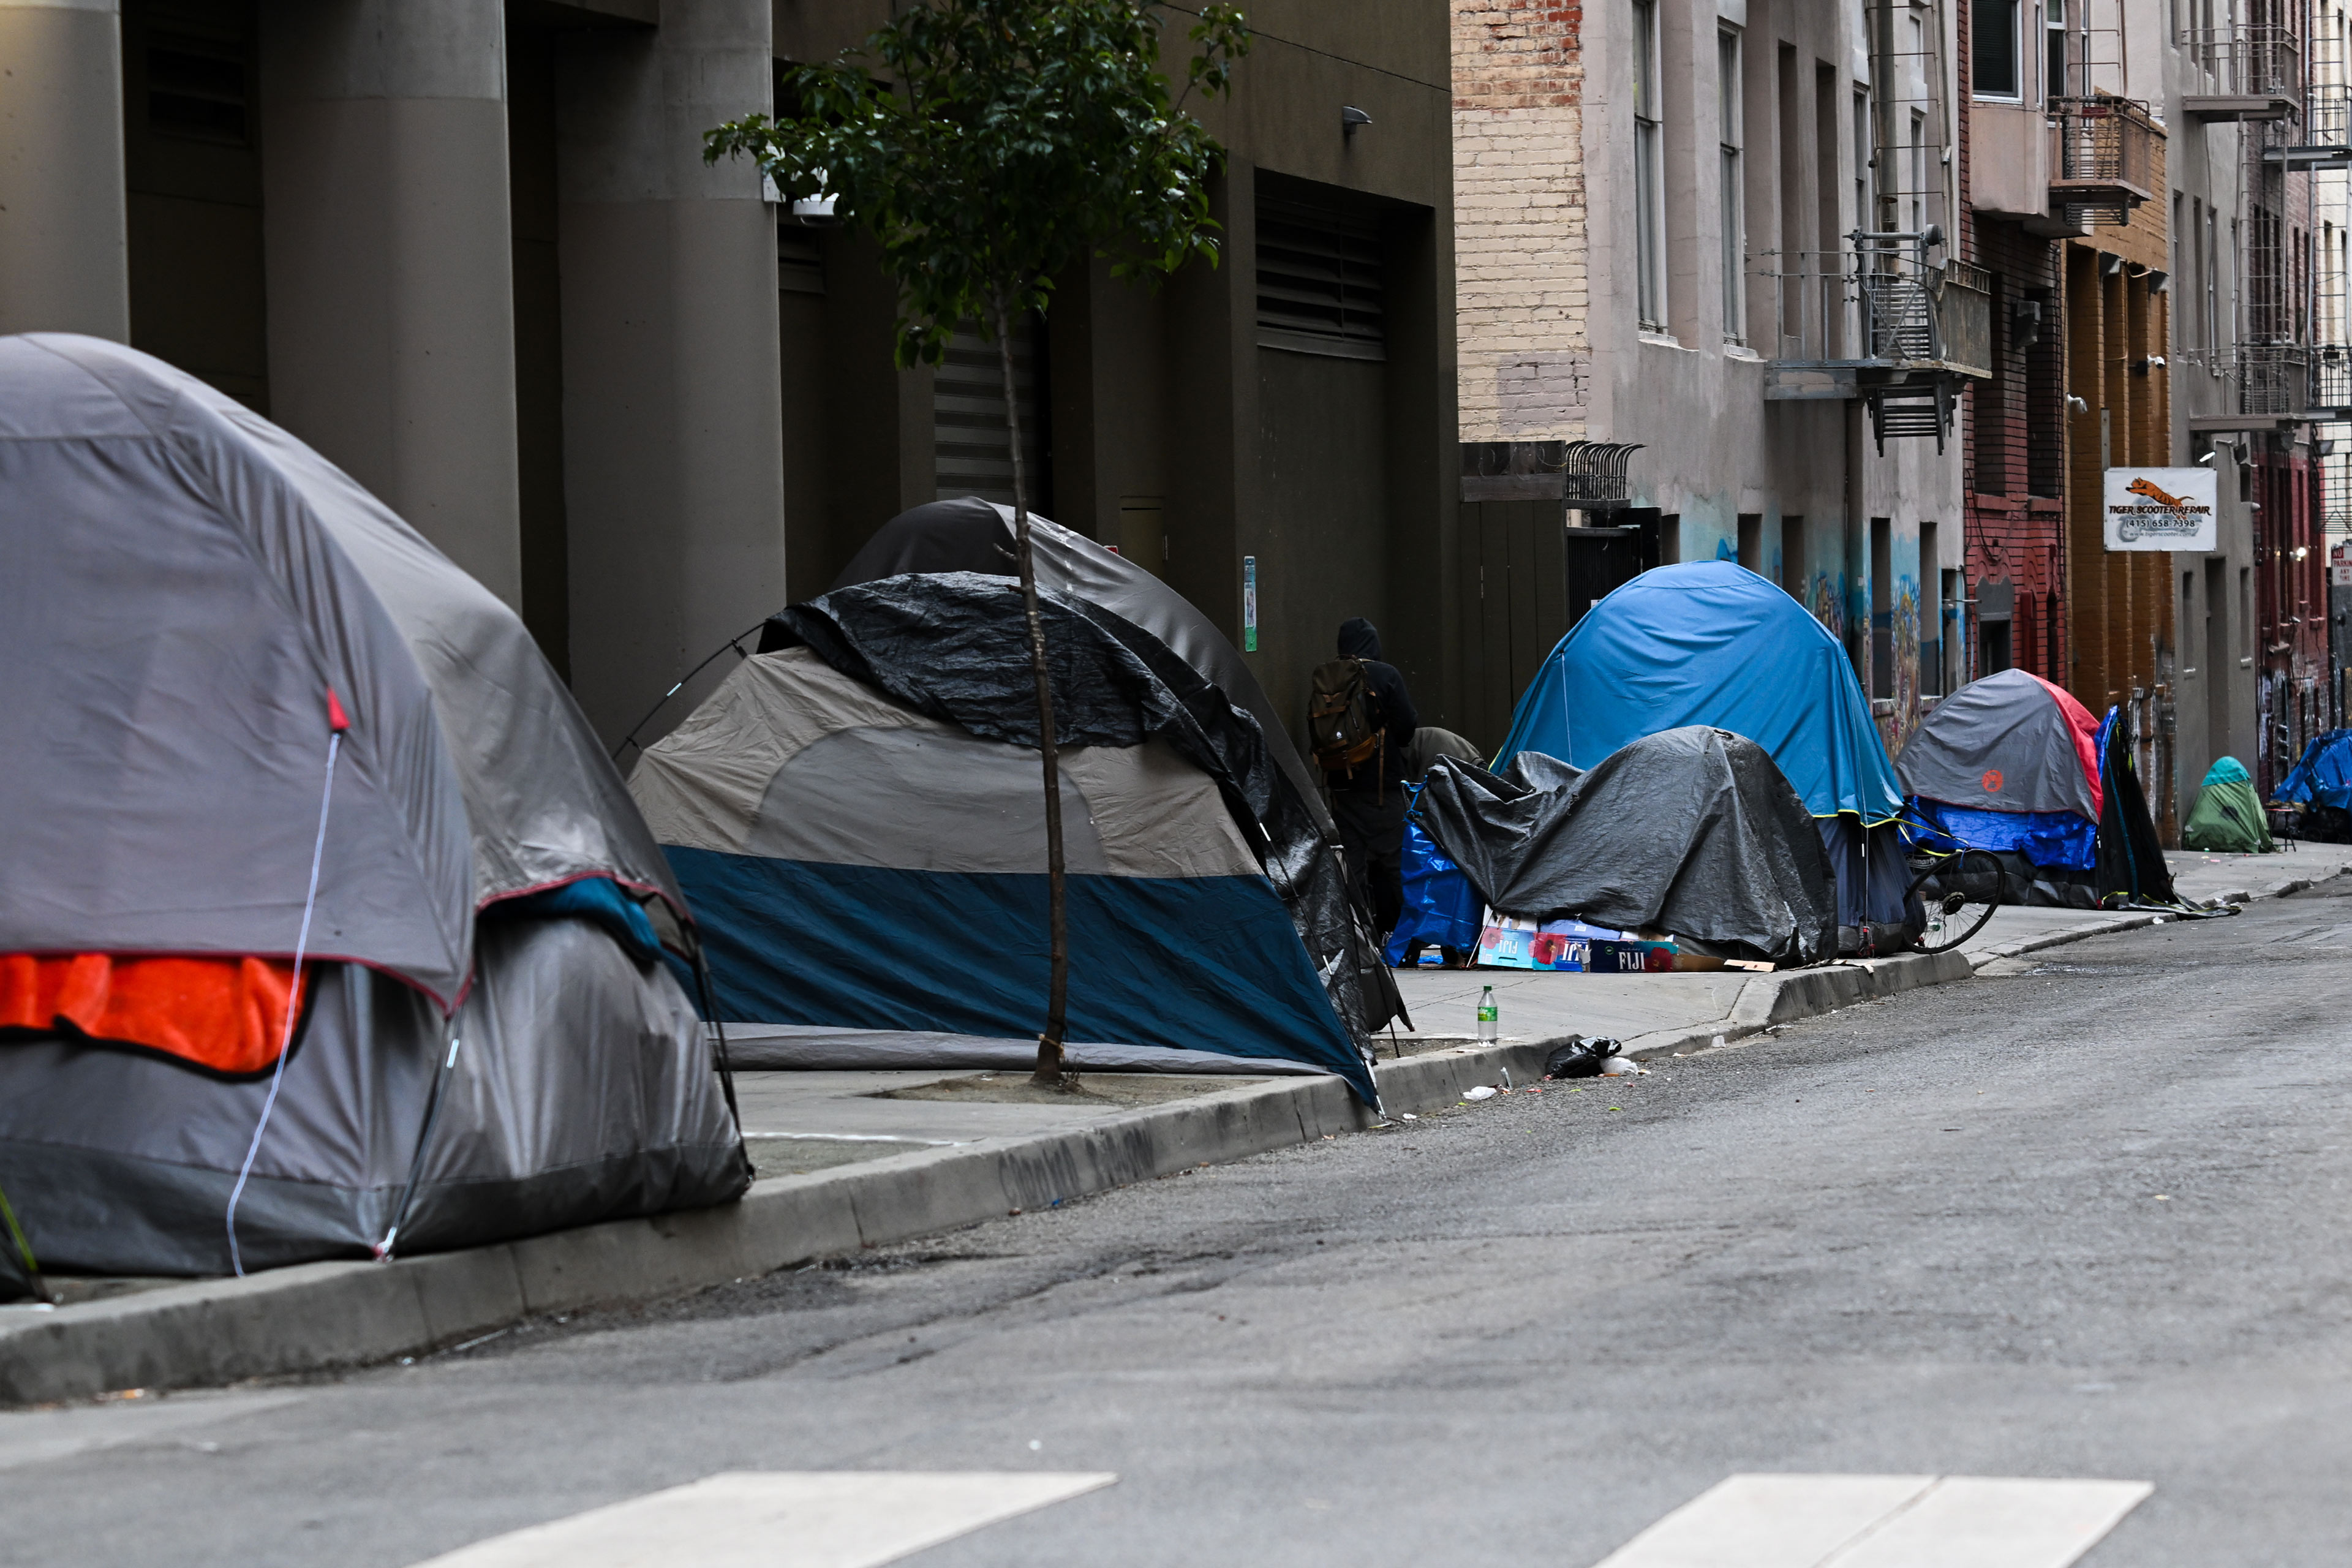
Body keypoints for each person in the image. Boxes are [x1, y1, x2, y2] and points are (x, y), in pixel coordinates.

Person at [1323, 617, 1419, 937]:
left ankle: (1357, 937)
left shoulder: (1327, 677)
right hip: (1381, 788)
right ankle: (1412, 936)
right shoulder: (1384, 674)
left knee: (1352, 868)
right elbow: (1406, 730)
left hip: (1340, 789)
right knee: (1399, 864)